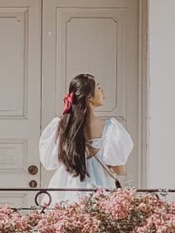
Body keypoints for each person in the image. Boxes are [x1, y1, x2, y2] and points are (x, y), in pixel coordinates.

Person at [38, 73, 133, 204]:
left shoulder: (61, 126)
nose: (103, 92)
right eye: (98, 88)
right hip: (100, 191)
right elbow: (119, 169)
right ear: (89, 97)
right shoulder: (110, 128)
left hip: (66, 191)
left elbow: (50, 162)